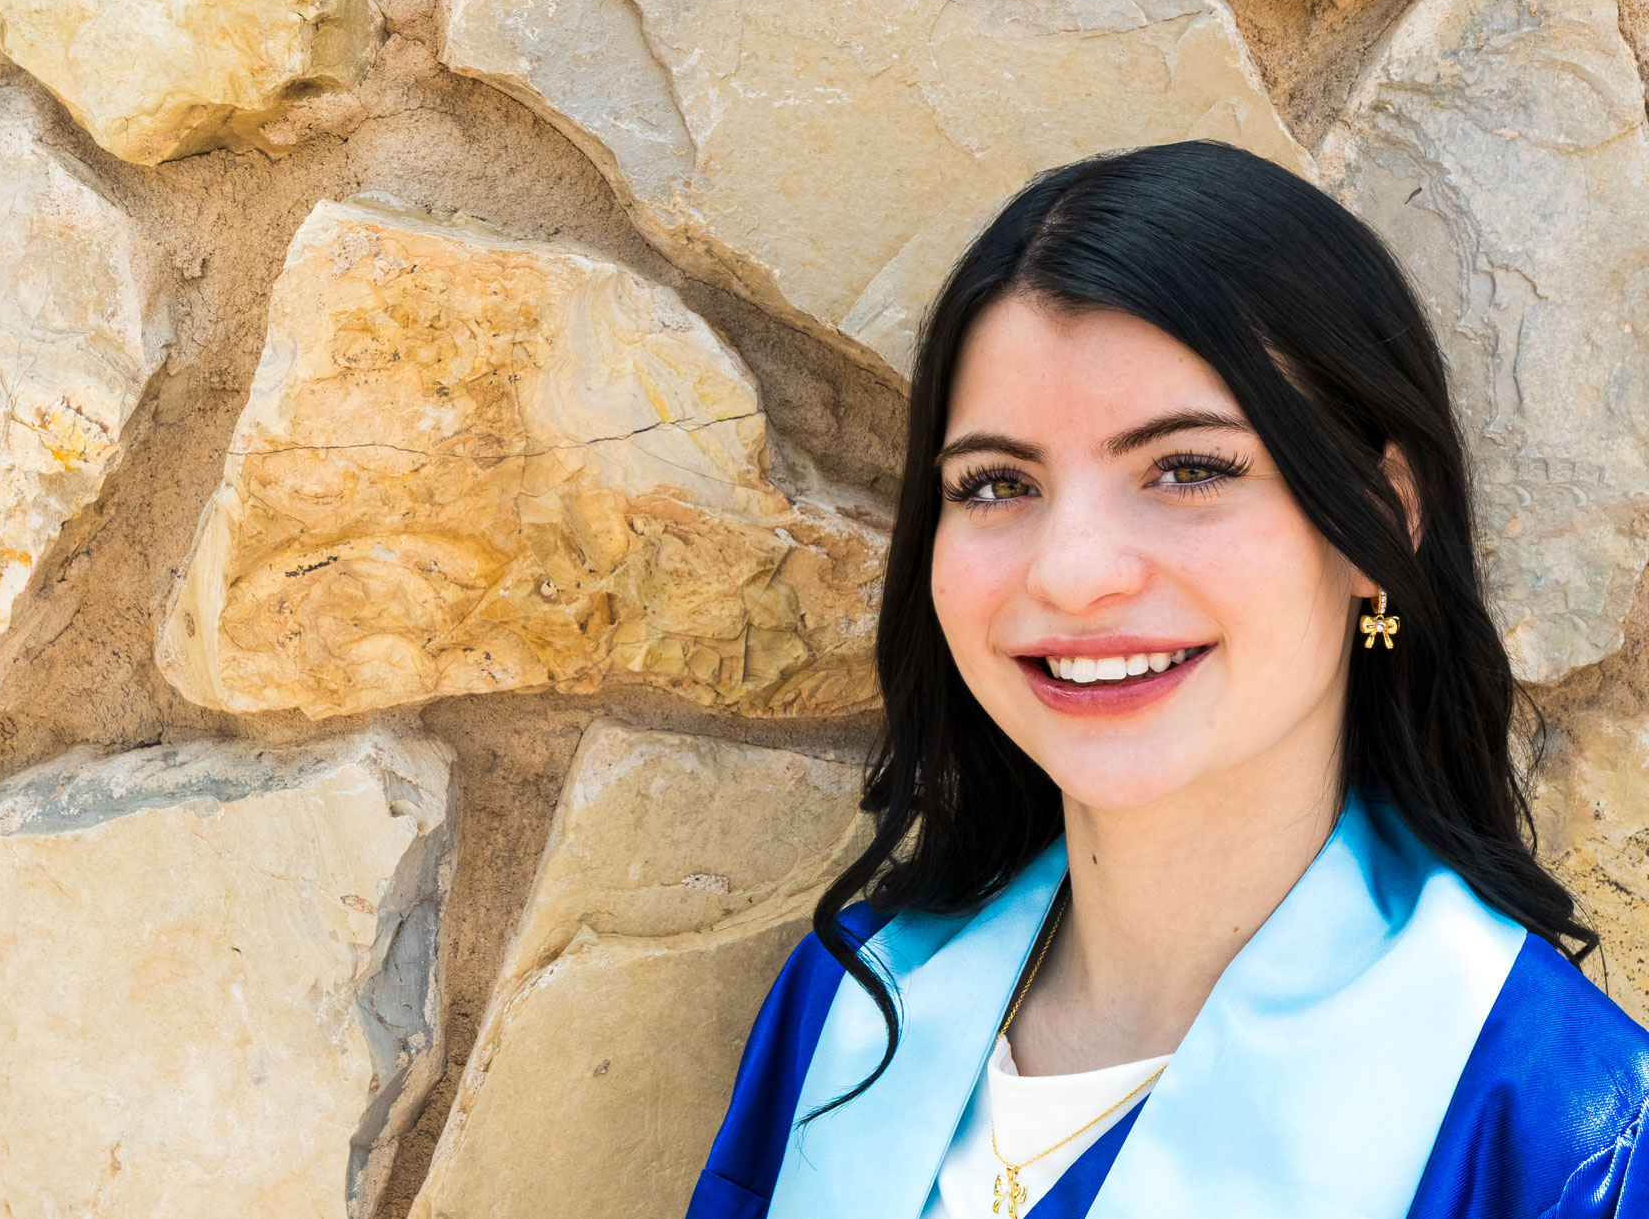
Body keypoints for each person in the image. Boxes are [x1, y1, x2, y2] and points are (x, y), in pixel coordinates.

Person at [685, 141, 1649, 1219]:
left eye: (1189, 468)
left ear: (1380, 522)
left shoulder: (1561, 1133)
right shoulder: (850, 1010)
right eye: (997, 483)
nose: (1074, 572)